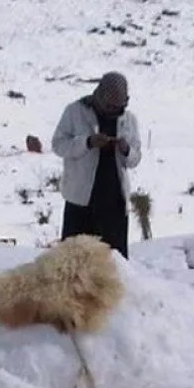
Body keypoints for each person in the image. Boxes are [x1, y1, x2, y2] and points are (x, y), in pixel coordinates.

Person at [50, 71, 142, 258]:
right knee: (74, 259)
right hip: (81, 201)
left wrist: (126, 150)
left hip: (114, 202)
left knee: (113, 262)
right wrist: (88, 142)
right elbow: (58, 145)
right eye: (110, 105)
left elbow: (135, 159)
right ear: (99, 96)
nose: (114, 110)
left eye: (119, 106)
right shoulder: (75, 112)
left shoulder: (129, 119)